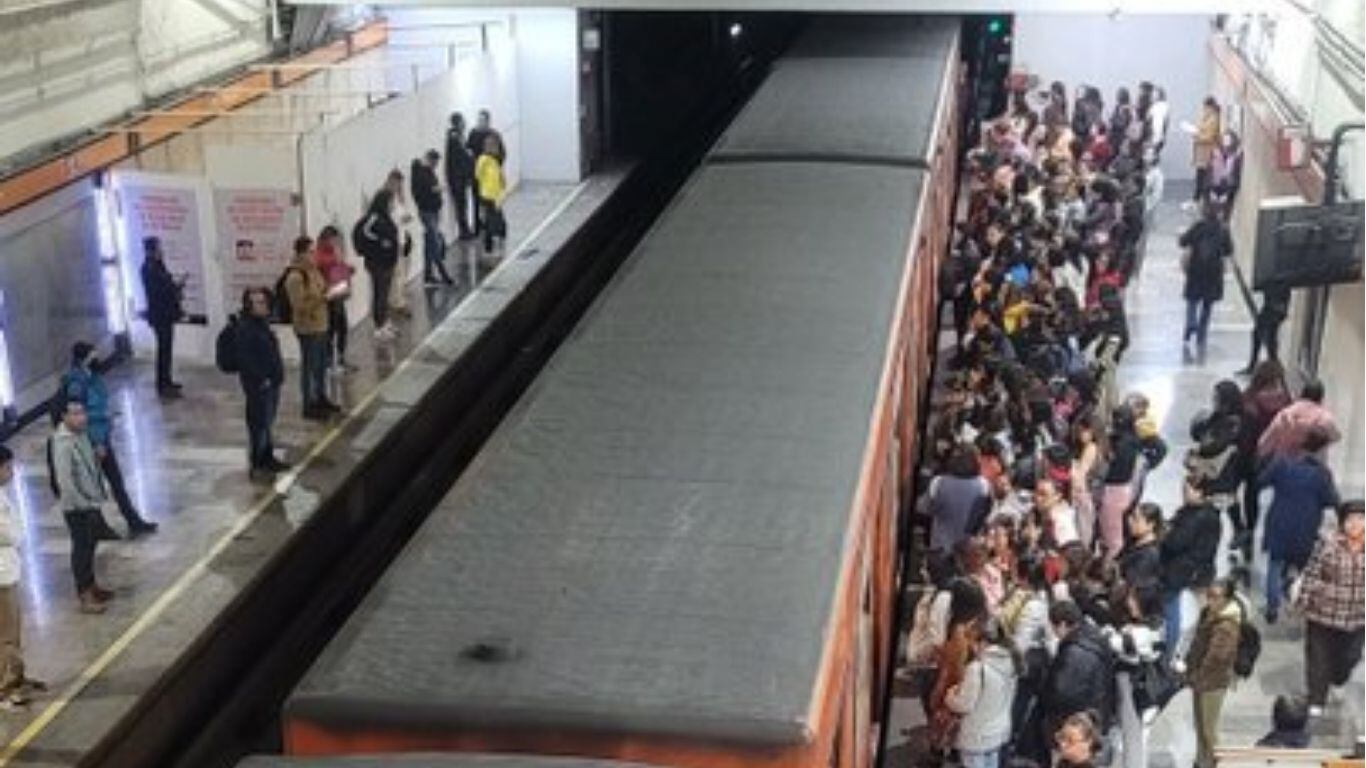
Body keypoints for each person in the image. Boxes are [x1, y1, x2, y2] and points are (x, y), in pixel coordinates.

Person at [60, 342, 158, 538]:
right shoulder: (76, 384)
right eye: (92, 355)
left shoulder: (93, 377)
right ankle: (99, 526)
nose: (96, 358)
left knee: (116, 482)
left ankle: (133, 520)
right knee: (93, 485)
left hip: (102, 436)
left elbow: (99, 403)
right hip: (90, 441)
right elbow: (78, 415)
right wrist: (97, 437)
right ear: (83, 359)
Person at [1258, 430, 1340, 623]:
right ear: (1320, 450)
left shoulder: (1282, 464)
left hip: (1278, 522)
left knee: (1275, 565)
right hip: (1306, 527)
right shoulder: (1321, 473)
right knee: (1305, 569)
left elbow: (1261, 481)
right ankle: (1300, 603)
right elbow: (1331, 500)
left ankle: (1272, 607)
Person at [1293, 500, 1364, 715]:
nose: (1355, 524)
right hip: (1323, 614)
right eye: (1350, 519)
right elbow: (1311, 575)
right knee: (1318, 658)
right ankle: (1316, 698)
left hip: (1356, 617)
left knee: (1349, 658)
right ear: (1342, 523)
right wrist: (1303, 603)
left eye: (1361, 519)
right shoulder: (1327, 546)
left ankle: (1337, 678)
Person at [49, 401, 112, 614]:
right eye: (75, 413)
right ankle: (84, 595)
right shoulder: (62, 443)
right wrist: (82, 504)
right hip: (77, 507)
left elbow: (87, 465)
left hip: (89, 501)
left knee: (90, 544)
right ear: (63, 417)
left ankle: (92, 586)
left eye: (82, 412)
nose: (81, 417)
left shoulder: (81, 435)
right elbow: (65, 481)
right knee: (82, 549)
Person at [1159, 477, 1221, 661]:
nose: (1183, 494)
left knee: (1171, 609)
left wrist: (1166, 534)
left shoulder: (1195, 516)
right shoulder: (1210, 513)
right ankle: (1201, 646)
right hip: (1201, 569)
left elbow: (1175, 542)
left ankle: (1169, 652)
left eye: (1187, 490)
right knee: (1203, 610)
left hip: (1183, 569)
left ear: (1200, 492)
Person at [0, 446, 42, 709]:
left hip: (9, 571)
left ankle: (16, 677)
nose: (11, 472)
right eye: (7, 467)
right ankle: (4, 688)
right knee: (5, 635)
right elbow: (10, 534)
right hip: (1, 577)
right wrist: (17, 532)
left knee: (13, 631)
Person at [1186, 577, 1243, 768]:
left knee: (1209, 729)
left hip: (1213, 682)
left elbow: (1217, 656)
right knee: (1200, 725)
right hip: (1201, 678)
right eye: (1209, 595)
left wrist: (1198, 674)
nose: (1210, 600)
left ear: (1227, 599)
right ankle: (1201, 761)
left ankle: (1213, 763)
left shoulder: (1227, 624)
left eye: (1216, 597)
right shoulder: (1208, 613)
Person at [946, 620, 1019, 768]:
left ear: (983, 642)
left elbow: (964, 705)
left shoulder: (977, 669)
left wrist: (950, 696)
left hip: (977, 735)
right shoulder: (1012, 662)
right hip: (998, 732)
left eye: (972, 642)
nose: (971, 647)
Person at [1041, 600, 1115, 744]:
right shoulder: (1094, 636)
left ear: (1062, 625)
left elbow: (1063, 693)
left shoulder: (1074, 652)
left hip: (1078, 724)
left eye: (1053, 628)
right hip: (1096, 715)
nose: (1054, 633)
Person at [235, 288, 289, 480]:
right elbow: (246, 359)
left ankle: (268, 458)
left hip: (271, 382)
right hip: (258, 385)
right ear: (249, 306)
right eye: (258, 303)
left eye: (264, 302)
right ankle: (257, 463)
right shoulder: (246, 328)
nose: (263, 306)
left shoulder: (262, 325)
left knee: (267, 423)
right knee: (259, 425)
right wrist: (262, 379)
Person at [283, 236, 338, 420]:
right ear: (301, 253)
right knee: (309, 367)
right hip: (308, 328)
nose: (315, 255)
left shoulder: (314, 271)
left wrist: (331, 291)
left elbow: (322, 289)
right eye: (311, 252)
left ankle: (321, 397)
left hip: (321, 324)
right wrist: (323, 298)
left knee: (321, 365)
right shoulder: (295, 277)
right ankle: (308, 403)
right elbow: (299, 306)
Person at [1177, 201, 1233, 353]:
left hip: (1196, 269)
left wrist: (1182, 236)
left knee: (1192, 300)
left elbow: (1183, 242)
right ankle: (1201, 335)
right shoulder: (1223, 229)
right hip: (1214, 272)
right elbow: (1229, 250)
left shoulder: (1198, 226)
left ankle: (1191, 323)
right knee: (1207, 305)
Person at [139, 236, 185, 398]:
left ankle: (167, 380)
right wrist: (174, 288)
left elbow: (167, 284)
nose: (161, 251)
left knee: (167, 349)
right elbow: (159, 291)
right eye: (158, 248)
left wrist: (176, 287)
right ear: (151, 251)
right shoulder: (149, 269)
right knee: (163, 349)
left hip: (166, 314)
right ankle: (162, 384)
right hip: (160, 315)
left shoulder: (158, 266)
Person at [925, 444, 990, 555]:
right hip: (968, 553)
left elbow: (927, 509)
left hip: (940, 550)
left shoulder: (938, 482)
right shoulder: (984, 486)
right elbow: (985, 515)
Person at [354, 189, 401, 341]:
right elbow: (361, 233)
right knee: (379, 293)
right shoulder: (373, 218)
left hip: (388, 262)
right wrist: (379, 243)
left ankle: (384, 321)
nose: (392, 205)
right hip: (377, 263)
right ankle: (378, 326)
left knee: (385, 293)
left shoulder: (386, 217)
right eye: (390, 202)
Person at [1258, 379, 1341, 462]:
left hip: (1283, 463)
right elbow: (1336, 436)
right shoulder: (1323, 416)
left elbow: (1263, 445)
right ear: (1321, 398)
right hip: (1310, 465)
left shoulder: (1286, 413)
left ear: (1303, 394)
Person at [314, 226, 354, 373]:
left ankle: (341, 358)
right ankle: (329, 361)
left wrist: (347, 269)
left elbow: (340, 267)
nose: (336, 242)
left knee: (342, 328)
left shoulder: (334, 252)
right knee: (330, 330)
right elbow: (322, 268)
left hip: (338, 294)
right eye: (334, 239)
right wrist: (336, 262)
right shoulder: (319, 255)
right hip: (328, 296)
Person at [411, 150, 454, 286]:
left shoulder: (427, 172)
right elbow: (426, 190)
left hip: (432, 211)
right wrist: (437, 189)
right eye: (435, 162)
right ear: (429, 160)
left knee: (430, 244)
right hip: (427, 211)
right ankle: (443, 273)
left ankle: (428, 274)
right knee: (435, 243)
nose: (436, 165)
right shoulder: (421, 174)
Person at [466, 109, 506, 235]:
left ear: (488, 121)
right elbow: (469, 151)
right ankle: (478, 227)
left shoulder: (494, 135)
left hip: (490, 178)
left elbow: (502, 155)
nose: (480, 122)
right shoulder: (473, 133)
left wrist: (494, 169)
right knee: (477, 202)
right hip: (478, 175)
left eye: (482, 120)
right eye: (479, 120)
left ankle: (497, 228)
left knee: (493, 205)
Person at [383, 170, 417, 317]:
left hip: (401, 237)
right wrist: (401, 219)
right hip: (392, 240)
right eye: (397, 183)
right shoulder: (384, 197)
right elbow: (387, 218)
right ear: (391, 180)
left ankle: (397, 300)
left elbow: (403, 212)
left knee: (401, 271)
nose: (398, 186)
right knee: (396, 273)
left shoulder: (397, 196)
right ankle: (397, 303)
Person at [1238, 284, 1291, 375]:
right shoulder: (1277, 279)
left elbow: (1282, 292)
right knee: (1265, 337)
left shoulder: (1280, 280)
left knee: (1267, 338)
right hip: (1272, 306)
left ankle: (1271, 367)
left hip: (1275, 307)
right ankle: (1269, 366)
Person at [444, 112, 476, 241]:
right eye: (462, 122)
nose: (464, 124)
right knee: (461, 205)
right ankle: (464, 230)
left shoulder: (458, 136)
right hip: (457, 178)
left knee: (463, 204)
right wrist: (469, 154)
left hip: (460, 177)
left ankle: (465, 228)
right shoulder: (454, 138)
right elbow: (463, 157)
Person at [475, 133, 508, 255]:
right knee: (491, 220)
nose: (495, 149)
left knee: (496, 219)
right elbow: (478, 175)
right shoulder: (483, 159)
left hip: (495, 195)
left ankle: (496, 241)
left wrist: (502, 184)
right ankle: (489, 245)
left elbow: (500, 176)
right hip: (487, 194)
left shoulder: (495, 161)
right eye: (493, 146)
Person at [1189, 96, 1221, 206]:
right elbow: (1200, 128)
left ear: (1211, 107)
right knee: (1200, 175)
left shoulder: (1214, 119)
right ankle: (1197, 199)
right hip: (1201, 152)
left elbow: (1210, 137)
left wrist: (1197, 136)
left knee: (1204, 177)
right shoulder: (1205, 117)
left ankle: (1200, 200)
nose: (1204, 109)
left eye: (1206, 107)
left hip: (1207, 152)